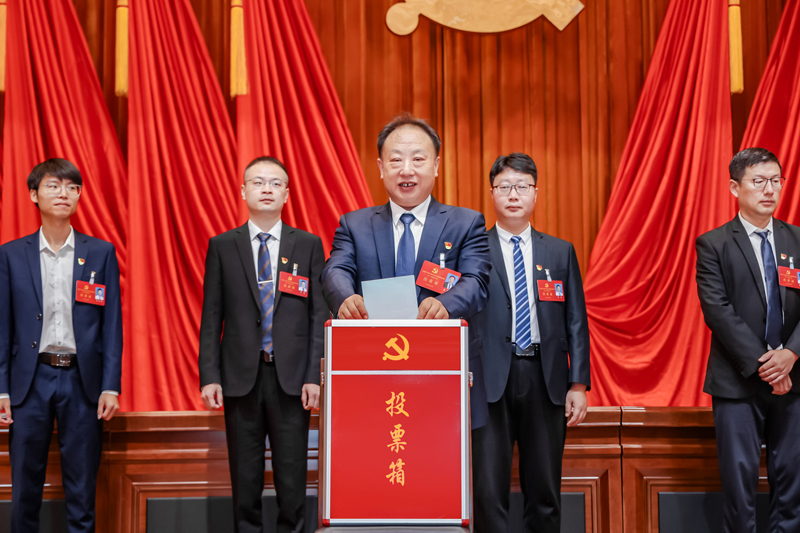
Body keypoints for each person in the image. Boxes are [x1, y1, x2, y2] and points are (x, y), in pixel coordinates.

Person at [321, 113, 491, 428]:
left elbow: (476, 281)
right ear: (381, 167)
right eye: (396, 159)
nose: (407, 169)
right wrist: (345, 297)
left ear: (436, 166)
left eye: (418, 159)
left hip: (443, 373)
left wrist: (445, 304)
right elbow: (335, 269)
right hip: (372, 373)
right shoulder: (354, 225)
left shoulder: (465, 223)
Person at [198, 156, 327, 533]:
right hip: (241, 379)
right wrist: (210, 376)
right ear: (243, 191)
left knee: (292, 482)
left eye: (275, 183)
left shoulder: (308, 245)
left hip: (292, 381)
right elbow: (211, 316)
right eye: (258, 182)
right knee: (245, 480)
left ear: (287, 193)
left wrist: (314, 376)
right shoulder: (223, 245)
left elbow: (318, 317)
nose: (266, 189)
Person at [0, 158, 122, 533]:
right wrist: (1, 389)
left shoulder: (100, 253)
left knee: (82, 492)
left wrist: (110, 385)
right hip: (29, 381)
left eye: (72, 187)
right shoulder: (10, 254)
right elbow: (3, 327)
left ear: (79, 195)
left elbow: (112, 325)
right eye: (53, 186)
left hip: (82, 382)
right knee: (24, 492)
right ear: (33, 195)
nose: (63, 193)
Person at [472, 152, 590, 533]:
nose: (513, 195)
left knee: (545, 491)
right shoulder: (474, 250)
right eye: (505, 186)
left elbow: (576, 320)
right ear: (492, 193)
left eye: (522, 186)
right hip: (488, 380)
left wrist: (578, 384)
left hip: (545, 378)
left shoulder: (559, 251)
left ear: (536, 193)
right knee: (488, 491)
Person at [696, 147, 800, 532]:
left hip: (794, 379)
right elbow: (718, 311)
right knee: (739, 488)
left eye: (775, 181)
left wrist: (791, 354)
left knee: (793, 484)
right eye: (758, 181)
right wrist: (769, 366)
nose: (769, 190)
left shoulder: (797, 240)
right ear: (734, 187)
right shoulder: (714, 244)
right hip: (737, 381)